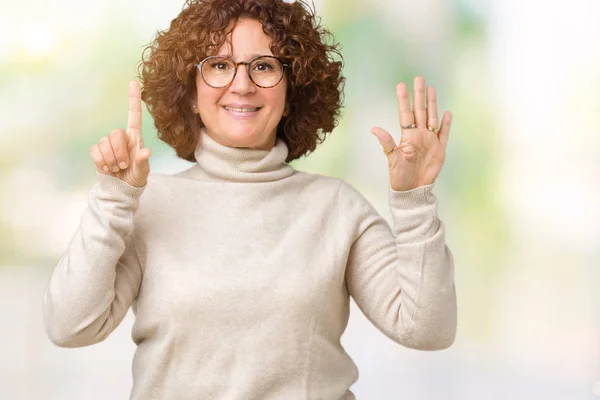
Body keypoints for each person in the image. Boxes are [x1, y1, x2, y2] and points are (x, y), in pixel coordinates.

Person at [43, 0, 457, 398]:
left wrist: (414, 201)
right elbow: (71, 326)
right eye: (219, 66)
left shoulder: (337, 209)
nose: (241, 85)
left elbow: (427, 330)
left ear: (292, 89)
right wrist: (114, 199)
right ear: (190, 91)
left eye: (263, 66)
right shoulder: (147, 205)